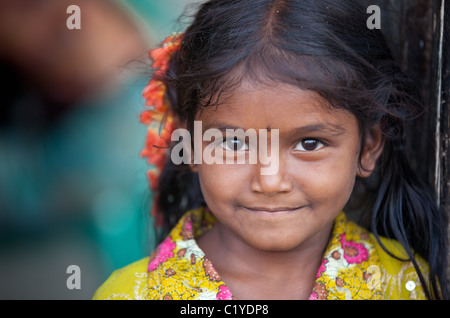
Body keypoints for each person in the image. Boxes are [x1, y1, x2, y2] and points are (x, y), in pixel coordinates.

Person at [93, 0, 448, 300]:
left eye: (310, 143)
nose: (270, 181)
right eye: (233, 143)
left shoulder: (402, 284)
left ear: (368, 147)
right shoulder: (130, 293)